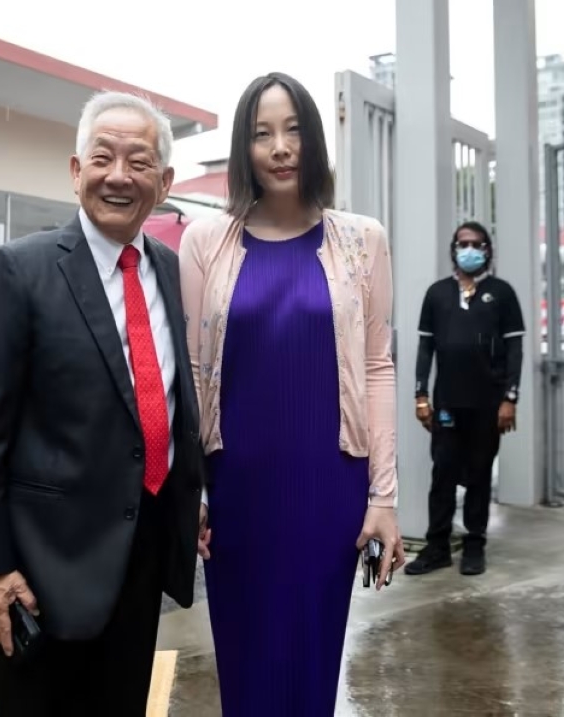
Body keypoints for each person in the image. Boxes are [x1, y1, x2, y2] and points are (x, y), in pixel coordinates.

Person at [0, 91, 206, 717]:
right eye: (103, 157)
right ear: (76, 171)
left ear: (164, 181)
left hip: (143, 550)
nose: (119, 176)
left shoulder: (174, 275)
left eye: (140, 162)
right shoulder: (19, 270)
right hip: (44, 568)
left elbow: (177, 400)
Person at [178, 72, 403, 716]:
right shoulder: (204, 242)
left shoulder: (363, 241)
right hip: (236, 490)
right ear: (243, 150)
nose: (280, 147)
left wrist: (383, 498)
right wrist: (193, 490)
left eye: (294, 129)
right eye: (262, 133)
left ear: (315, 140)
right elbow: (194, 372)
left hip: (329, 484)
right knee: (246, 670)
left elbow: (379, 367)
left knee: (310, 663)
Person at [405, 221, 525, 577]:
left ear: (487, 250)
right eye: (462, 243)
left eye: (476, 243)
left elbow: (515, 349)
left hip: (488, 405)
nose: (468, 249)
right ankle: (437, 547)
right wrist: (420, 395)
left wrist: (510, 399)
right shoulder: (437, 293)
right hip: (446, 404)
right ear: (453, 249)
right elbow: (426, 347)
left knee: (478, 474)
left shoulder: (502, 293)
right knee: (442, 473)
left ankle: (474, 545)